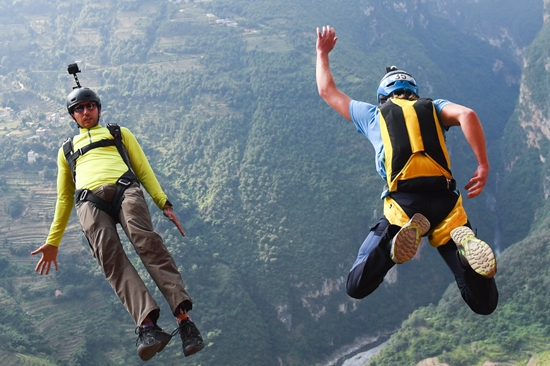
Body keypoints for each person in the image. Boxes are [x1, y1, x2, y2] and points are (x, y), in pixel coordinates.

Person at [315, 25, 498, 315]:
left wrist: (322, 53)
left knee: (355, 284)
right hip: (447, 205)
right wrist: (483, 165)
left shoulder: (374, 115)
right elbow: (468, 115)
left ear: (383, 97)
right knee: (484, 304)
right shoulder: (435, 108)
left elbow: (327, 91)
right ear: (414, 93)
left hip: (404, 206)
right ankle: (466, 256)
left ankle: (393, 242)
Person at [31, 85, 205, 360]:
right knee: (110, 258)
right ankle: (148, 327)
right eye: (79, 108)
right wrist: (53, 241)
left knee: (146, 242)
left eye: (90, 106)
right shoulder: (66, 150)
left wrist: (164, 203)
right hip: (89, 202)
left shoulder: (118, 134)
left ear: (99, 109)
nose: (86, 111)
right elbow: (64, 197)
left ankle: (185, 322)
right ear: (73, 116)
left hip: (126, 188)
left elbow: (143, 169)